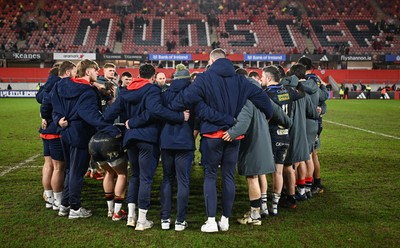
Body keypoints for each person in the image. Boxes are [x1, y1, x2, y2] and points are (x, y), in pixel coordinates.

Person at [168, 48, 273, 232]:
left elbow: (183, 100)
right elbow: (263, 99)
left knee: (210, 176)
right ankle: (224, 220)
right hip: (233, 136)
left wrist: (181, 107)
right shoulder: (241, 80)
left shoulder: (204, 78)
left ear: (211, 61)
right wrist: (269, 115)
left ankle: (210, 221)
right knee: (228, 177)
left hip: (211, 136)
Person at [104, 64, 189, 231]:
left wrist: (112, 128)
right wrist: (179, 116)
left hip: (130, 139)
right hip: (148, 139)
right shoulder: (152, 90)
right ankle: (142, 220)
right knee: (145, 179)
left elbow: (108, 115)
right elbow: (155, 111)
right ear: (153, 76)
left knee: (134, 176)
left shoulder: (126, 90)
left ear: (139, 74)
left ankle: (131, 216)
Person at [51, 59, 121, 219]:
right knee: (77, 172)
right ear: (88, 71)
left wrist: (57, 120)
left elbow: (53, 106)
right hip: (80, 134)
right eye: (95, 71)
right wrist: (111, 128)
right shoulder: (88, 91)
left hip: (64, 132)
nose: (97, 73)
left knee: (70, 170)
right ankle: (75, 208)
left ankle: (65, 205)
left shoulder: (60, 85)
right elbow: (89, 115)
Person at [263, 65, 305, 215]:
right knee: (279, 171)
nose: (262, 79)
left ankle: (265, 206)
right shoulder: (288, 90)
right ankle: (275, 205)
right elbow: (302, 93)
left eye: (263, 77)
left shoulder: (266, 93)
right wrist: (297, 79)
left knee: (262, 172)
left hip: (271, 135)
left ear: (268, 78)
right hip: (286, 135)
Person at [159, 65, 195, 231]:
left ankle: (165, 219)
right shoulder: (192, 95)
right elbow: (196, 121)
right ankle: (180, 221)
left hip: (166, 141)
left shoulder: (164, 94)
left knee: (167, 179)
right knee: (183, 181)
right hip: (185, 142)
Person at [37, 63, 75, 210]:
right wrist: (52, 119)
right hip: (55, 130)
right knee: (59, 167)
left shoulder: (48, 85)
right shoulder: (60, 85)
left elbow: (43, 103)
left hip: (45, 130)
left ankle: (50, 198)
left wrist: (45, 117)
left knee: (48, 165)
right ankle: (58, 201)